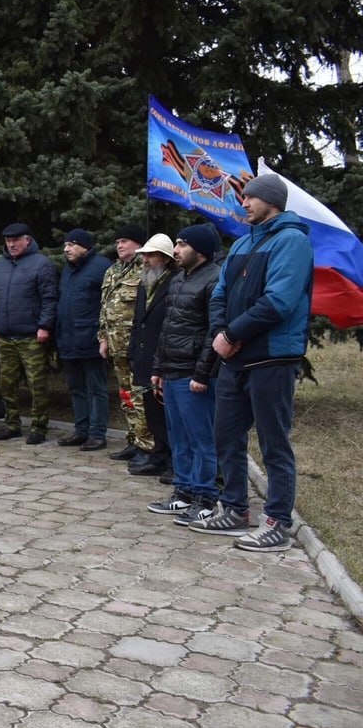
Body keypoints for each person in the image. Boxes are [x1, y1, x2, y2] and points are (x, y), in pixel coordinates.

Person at [192, 174, 314, 553]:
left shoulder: (292, 241)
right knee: (225, 434)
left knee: (274, 443)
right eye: (243, 197)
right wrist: (220, 334)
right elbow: (220, 295)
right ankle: (234, 508)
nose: (243, 203)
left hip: (273, 357)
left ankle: (277, 522)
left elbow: (280, 301)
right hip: (236, 360)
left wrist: (231, 336)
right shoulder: (243, 243)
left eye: (250, 197)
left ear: (272, 201)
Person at [147, 225, 222, 526]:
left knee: (200, 437)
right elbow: (167, 330)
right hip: (172, 370)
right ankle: (185, 492)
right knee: (179, 436)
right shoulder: (179, 280)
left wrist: (202, 373)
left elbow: (213, 331)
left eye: (181, 244)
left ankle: (206, 497)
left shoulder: (214, 279)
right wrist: (157, 368)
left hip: (194, 373)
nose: (175, 250)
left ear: (200, 250)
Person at [0, 222, 59, 444]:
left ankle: (39, 427)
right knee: (8, 385)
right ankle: (12, 424)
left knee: (37, 384)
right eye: (8, 241)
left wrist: (45, 325)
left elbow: (49, 298)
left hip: (31, 336)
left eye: (16, 240)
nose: (11, 245)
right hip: (6, 336)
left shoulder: (41, 264)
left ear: (27, 240)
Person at [99, 223, 153, 461]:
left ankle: (147, 446)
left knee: (141, 398)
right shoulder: (112, 271)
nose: (119, 245)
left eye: (125, 241)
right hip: (115, 345)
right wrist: (103, 339)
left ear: (138, 244)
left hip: (137, 347)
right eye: (117, 242)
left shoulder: (147, 269)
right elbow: (104, 307)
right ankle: (133, 440)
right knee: (126, 397)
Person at [56, 229, 112, 451]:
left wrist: (103, 337)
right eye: (65, 245)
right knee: (75, 387)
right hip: (68, 339)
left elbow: (109, 304)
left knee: (96, 388)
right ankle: (81, 430)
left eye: (72, 244)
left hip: (90, 339)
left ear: (85, 247)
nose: (66, 249)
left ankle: (97, 433)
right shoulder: (68, 270)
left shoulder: (101, 267)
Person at [126, 234, 176, 479]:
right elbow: (138, 322)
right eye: (144, 255)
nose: (145, 260)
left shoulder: (174, 283)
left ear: (165, 259)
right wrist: (133, 352)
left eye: (150, 255)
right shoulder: (145, 282)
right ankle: (159, 456)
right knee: (151, 412)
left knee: (166, 413)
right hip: (145, 357)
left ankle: (173, 462)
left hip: (163, 357)